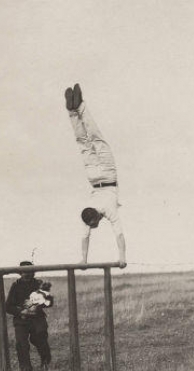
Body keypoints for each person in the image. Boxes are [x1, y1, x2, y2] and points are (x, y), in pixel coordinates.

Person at [64, 83, 126, 266]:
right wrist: (83, 259)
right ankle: (74, 112)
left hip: (107, 177)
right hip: (94, 177)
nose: (94, 227)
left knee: (96, 140)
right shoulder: (88, 210)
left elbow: (118, 234)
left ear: (96, 217)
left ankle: (79, 107)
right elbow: (118, 234)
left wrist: (122, 257)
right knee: (84, 142)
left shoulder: (104, 210)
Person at [5, 261, 53, 371]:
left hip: (37, 318)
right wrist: (22, 311)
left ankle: (46, 362)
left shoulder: (39, 284)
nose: (27, 274)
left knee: (40, 339)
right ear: (20, 273)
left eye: (30, 271)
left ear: (34, 272)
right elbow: (8, 306)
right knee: (21, 344)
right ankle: (26, 370)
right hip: (21, 320)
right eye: (24, 272)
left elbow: (50, 302)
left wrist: (39, 303)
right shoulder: (16, 286)